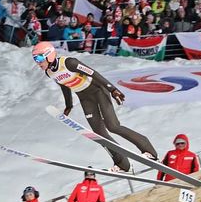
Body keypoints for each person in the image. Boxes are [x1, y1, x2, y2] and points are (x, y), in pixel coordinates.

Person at [31, 41, 158, 172]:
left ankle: (149, 150)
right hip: (85, 98)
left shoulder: (69, 63)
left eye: (39, 58)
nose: (38, 62)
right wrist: (68, 105)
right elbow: (64, 85)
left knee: (113, 126)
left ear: (49, 55)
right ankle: (122, 163)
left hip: (98, 91)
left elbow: (93, 73)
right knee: (99, 135)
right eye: (35, 59)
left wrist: (112, 90)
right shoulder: (49, 72)